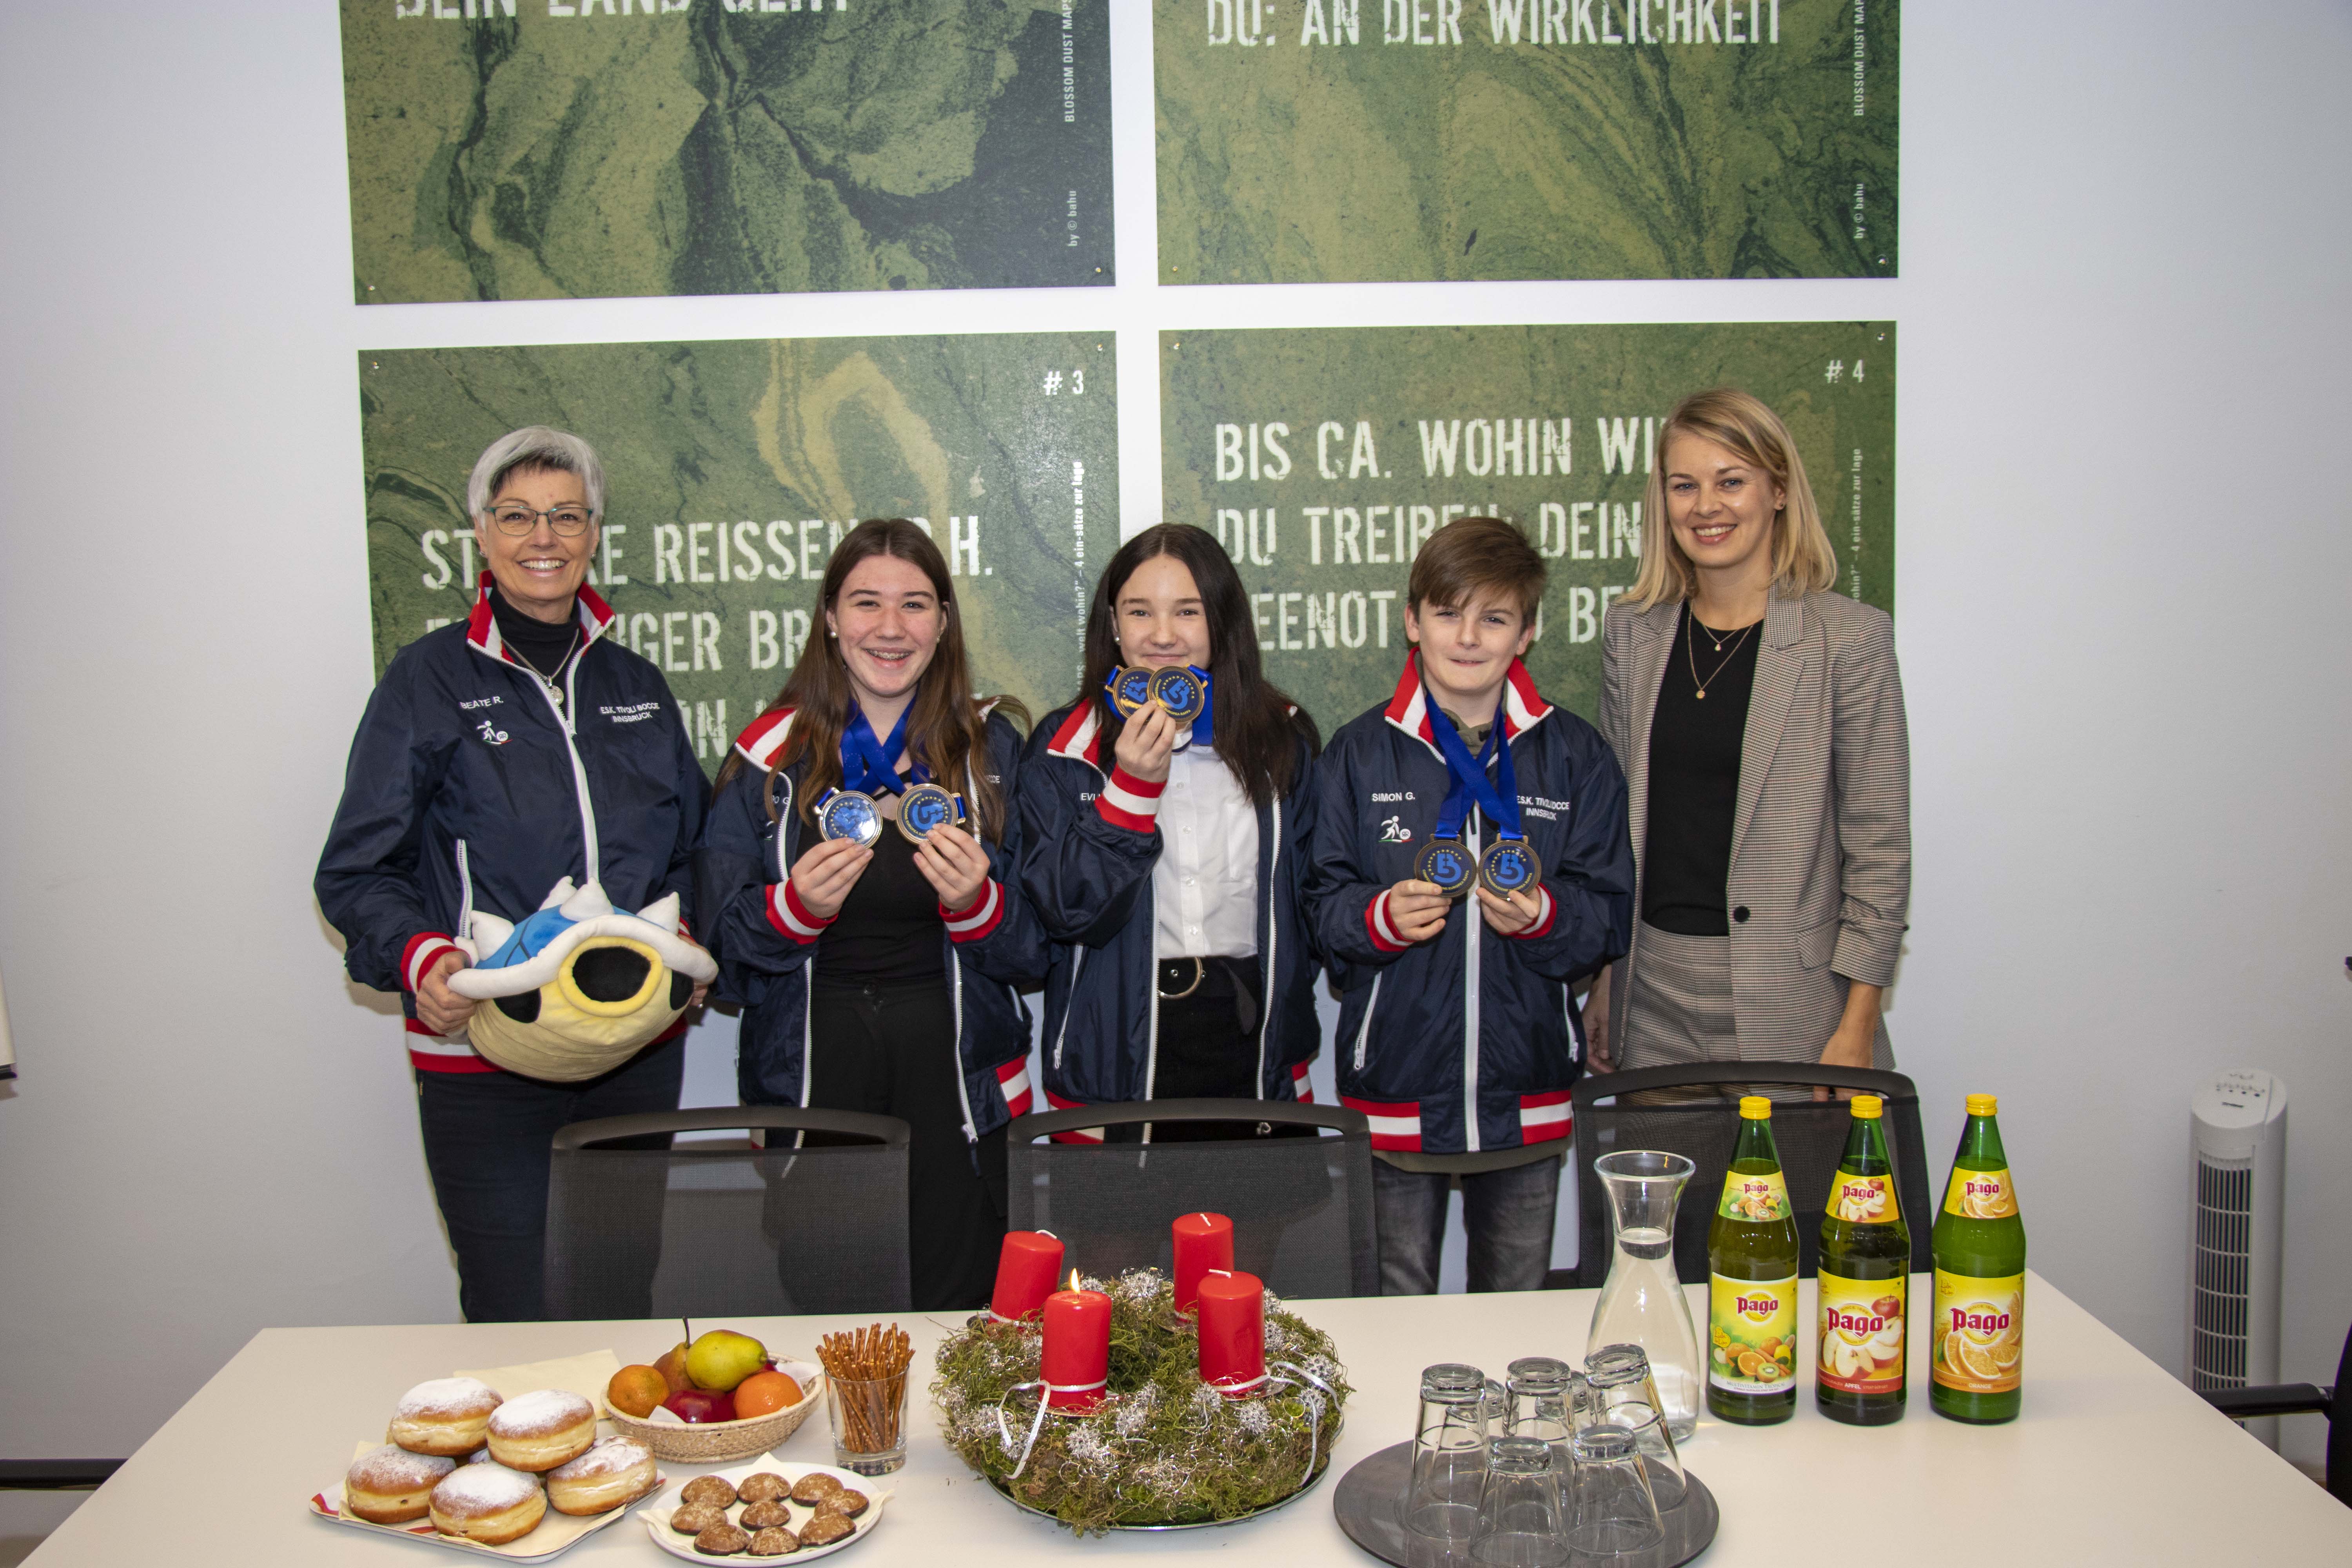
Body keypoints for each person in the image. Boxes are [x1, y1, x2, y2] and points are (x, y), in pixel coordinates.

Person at [316, 426, 711, 1322]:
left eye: (566, 515)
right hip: (485, 1046)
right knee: (514, 1307)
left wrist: (691, 942)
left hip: (629, 1051)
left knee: (620, 1298)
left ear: (595, 533)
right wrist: (420, 959)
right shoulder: (427, 680)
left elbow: (693, 851)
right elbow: (356, 868)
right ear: (482, 535)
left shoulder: (638, 683)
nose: (545, 536)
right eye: (519, 515)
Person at [696, 519, 1047, 1311]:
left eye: (916, 604)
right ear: (828, 616)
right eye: (866, 603)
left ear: (945, 623)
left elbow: (1036, 950)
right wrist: (794, 912)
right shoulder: (767, 755)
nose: (891, 628)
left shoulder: (992, 751)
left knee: (965, 1313)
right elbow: (723, 955)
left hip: (958, 1083)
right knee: (836, 1314)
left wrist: (976, 904)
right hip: (820, 1075)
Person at [1304, 517, 1634, 1293]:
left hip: (1528, 1092)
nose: (1469, 636)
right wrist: (1380, 919)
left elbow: (1608, 917)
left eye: (1495, 616)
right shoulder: (1358, 752)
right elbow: (1320, 910)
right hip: (1395, 1093)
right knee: (1396, 1313)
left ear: (1527, 632)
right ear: (1413, 620)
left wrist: (1547, 917)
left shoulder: (1576, 754)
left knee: (1515, 1322)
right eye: (1448, 612)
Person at [1581, 387, 1910, 1095]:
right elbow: (1611, 838)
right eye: (1685, 485)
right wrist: (1608, 983)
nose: (1707, 506)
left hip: (1797, 1007)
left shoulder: (1849, 640)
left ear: (1779, 490)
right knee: (1665, 1210)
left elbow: (1879, 850)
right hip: (1653, 1002)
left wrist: (1857, 1025)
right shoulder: (1632, 634)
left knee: (1794, 1209)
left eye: (1731, 481)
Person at [1020, 524, 1323, 1143]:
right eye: (1139, 611)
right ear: (1112, 624)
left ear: (1221, 619)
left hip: (1251, 1039)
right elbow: (1063, 912)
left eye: (1187, 610)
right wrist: (1130, 789)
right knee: (1114, 1241)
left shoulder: (1283, 738)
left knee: (1250, 1240)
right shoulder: (1064, 747)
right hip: (1114, 1051)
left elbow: (1313, 901)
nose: (1162, 635)